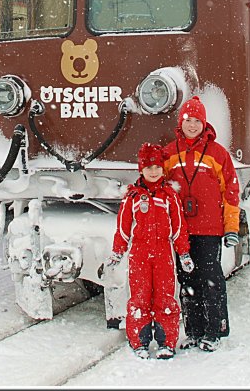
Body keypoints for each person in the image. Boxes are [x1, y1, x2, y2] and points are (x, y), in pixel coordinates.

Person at [161, 96, 240, 352]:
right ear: (180, 123)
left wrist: (231, 228)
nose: (192, 125)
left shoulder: (217, 154)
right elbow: (158, 184)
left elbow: (230, 191)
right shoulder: (170, 153)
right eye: (187, 120)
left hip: (210, 229)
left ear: (204, 124)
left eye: (197, 121)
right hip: (182, 231)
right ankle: (193, 332)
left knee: (211, 278)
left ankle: (214, 331)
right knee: (187, 280)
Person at [108, 142, 195, 360]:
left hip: (164, 253)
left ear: (162, 169)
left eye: (157, 167)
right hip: (139, 254)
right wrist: (118, 251)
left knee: (165, 297)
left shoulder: (169, 196)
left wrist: (183, 253)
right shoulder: (133, 197)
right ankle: (140, 341)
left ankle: (167, 342)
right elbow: (123, 227)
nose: (153, 172)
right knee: (139, 297)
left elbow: (178, 227)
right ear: (141, 170)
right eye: (149, 168)